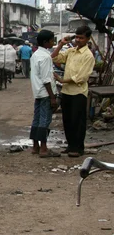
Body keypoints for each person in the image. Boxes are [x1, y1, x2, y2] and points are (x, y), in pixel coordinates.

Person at [51, 25, 96, 158]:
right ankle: (71, 145)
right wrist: (60, 44)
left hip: (78, 92)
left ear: (87, 39)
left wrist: (62, 80)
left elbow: (81, 77)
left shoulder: (88, 56)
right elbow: (54, 58)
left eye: (81, 38)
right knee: (67, 120)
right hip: (67, 92)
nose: (78, 40)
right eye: (76, 37)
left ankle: (78, 148)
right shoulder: (71, 51)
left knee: (78, 121)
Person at [30, 30, 60, 158]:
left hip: (37, 92)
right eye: (52, 40)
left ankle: (35, 146)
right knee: (45, 120)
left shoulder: (36, 54)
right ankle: (43, 148)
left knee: (36, 119)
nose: (53, 42)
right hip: (46, 92)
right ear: (46, 42)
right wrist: (53, 97)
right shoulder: (46, 57)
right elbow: (47, 79)